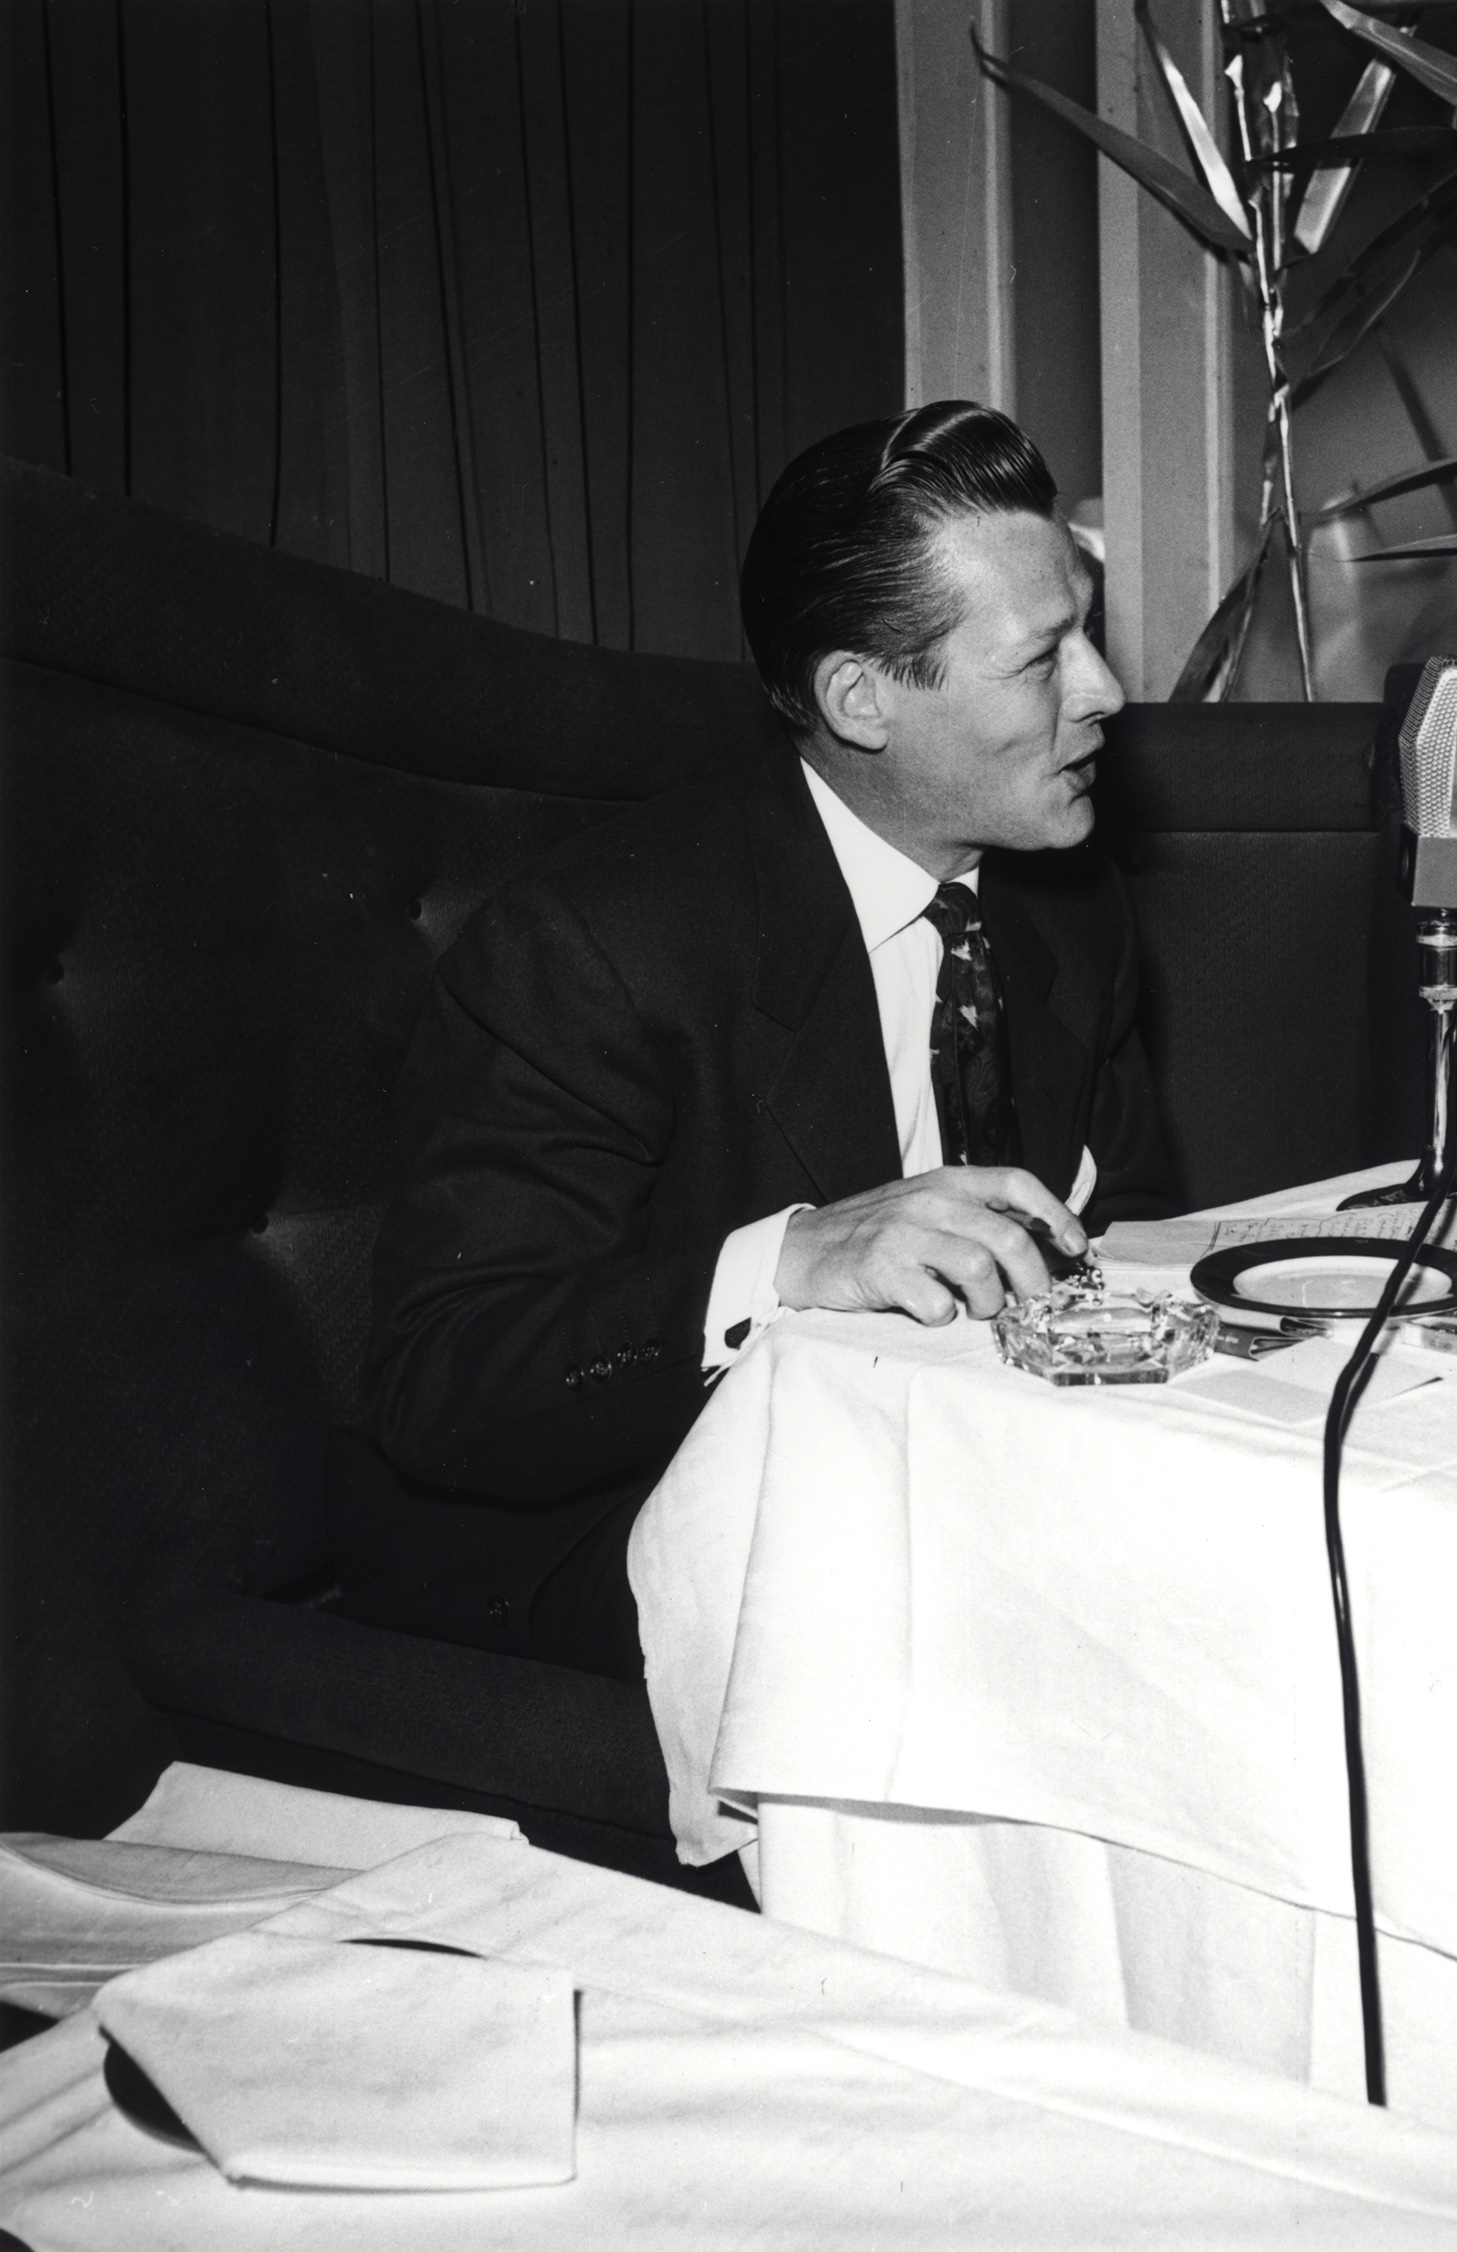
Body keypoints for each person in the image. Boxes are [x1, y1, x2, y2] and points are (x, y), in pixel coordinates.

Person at [329, 402, 1171, 1677]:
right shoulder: (596, 945)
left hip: (964, 1489)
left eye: (1088, 635)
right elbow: (440, 1385)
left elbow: (1134, 1228)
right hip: (617, 1546)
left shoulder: (1070, 909)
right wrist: (790, 1261)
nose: (1106, 692)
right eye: (1042, 658)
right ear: (860, 697)